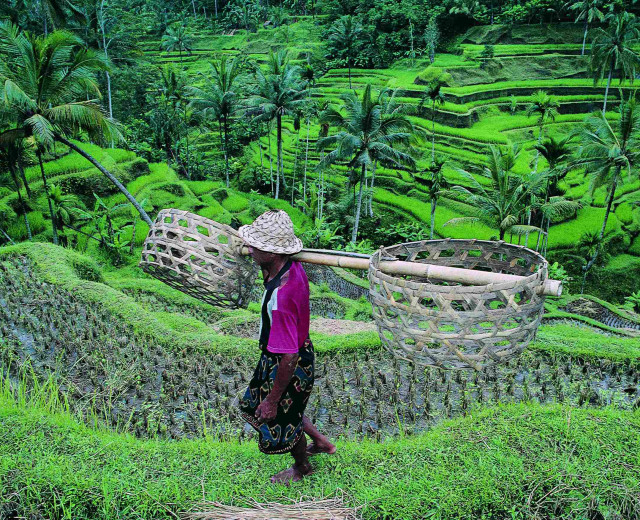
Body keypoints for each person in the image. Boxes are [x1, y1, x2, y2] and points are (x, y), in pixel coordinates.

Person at [237, 209, 336, 484]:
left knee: (281, 414)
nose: (250, 248)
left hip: (288, 361)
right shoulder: (289, 266)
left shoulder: (282, 298)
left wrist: (272, 399)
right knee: (292, 409)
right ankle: (323, 443)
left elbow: (289, 357)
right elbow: (264, 264)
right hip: (285, 352)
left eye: (256, 245)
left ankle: (302, 467)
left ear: (273, 253)